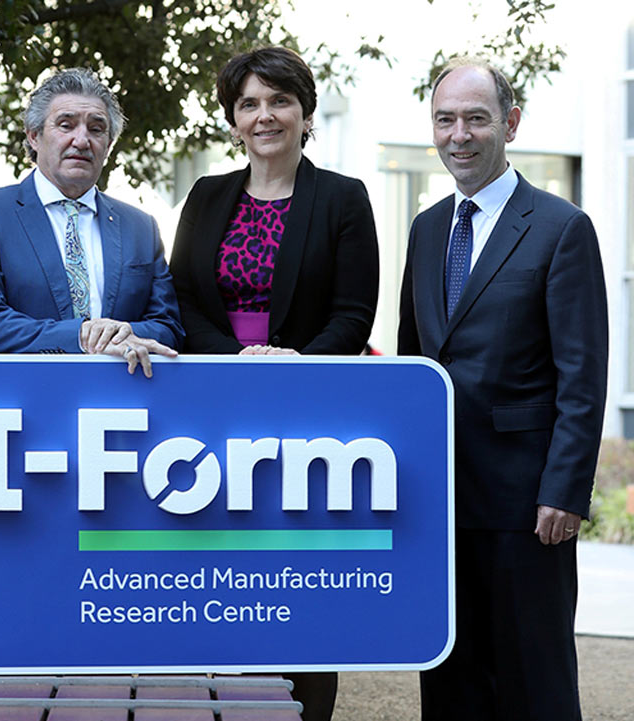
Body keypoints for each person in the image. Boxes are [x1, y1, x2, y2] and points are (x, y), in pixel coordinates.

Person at [169, 46, 380, 720]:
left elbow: (353, 312)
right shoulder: (205, 196)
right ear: (233, 120)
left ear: (305, 112)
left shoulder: (344, 199)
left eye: (279, 101)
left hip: (309, 422)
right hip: (218, 413)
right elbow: (181, 303)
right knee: (228, 586)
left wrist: (295, 366)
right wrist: (236, 362)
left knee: (303, 591)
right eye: (250, 104)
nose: (265, 116)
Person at [398, 56, 608, 720]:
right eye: (445, 119)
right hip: (442, 505)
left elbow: (583, 375)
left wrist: (564, 489)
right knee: (453, 684)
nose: (459, 134)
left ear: (510, 123)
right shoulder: (427, 227)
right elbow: (414, 362)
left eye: (476, 118)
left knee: (534, 685)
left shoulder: (561, 228)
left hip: (528, 510)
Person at [0, 68, 183, 377]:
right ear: (34, 136)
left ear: (109, 144)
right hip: (23, 400)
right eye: (66, 125)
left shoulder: (141, 226)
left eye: (97, 129)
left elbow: (169, 326)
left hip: (124, 398)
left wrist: (126, 332)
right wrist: (82, 336)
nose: (82, 139)